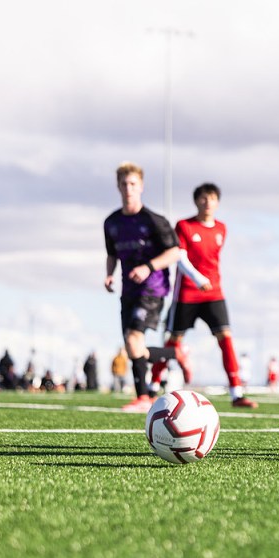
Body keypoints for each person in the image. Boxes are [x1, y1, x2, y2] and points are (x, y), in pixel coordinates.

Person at [157, 182, 257, 408]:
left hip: (214, 293)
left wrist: (208, 282)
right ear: (196, 201)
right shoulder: (184, 226)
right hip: (186, 293)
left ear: (217, 202)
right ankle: (152, 386)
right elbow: (179, 257)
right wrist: (197, 278)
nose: (208, 202)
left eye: (212, 198)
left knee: (226, 338)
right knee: (173, 342)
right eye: (203, 198)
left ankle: (236, 393)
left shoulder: (222, 228)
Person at [103, 161, 189, 413]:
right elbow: (112, 254)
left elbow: (175, 252)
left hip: (153, 289)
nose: (128, 188)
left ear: (141, 186)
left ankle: (143, 398)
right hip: (128, 290)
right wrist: (109, 275)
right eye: (124, 184)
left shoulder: (154, 221)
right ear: (118, 187)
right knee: (133, 347)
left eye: (133, 184)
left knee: (133, 340)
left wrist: (148, 267)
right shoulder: (111, 222)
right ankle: (175, 354)